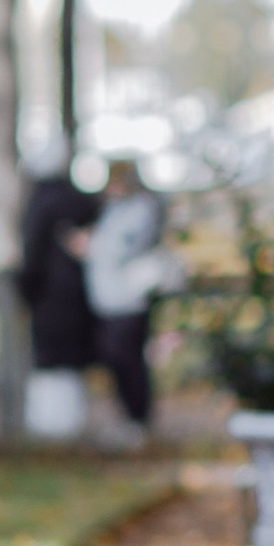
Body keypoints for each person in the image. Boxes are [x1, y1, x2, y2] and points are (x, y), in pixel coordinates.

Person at [84, 157, 178, 440]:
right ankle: (128, 417)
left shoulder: (142, 209)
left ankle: (139, 419)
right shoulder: (115, 210)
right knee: (115, 360)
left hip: (130, 297)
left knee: (128, 360)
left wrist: (92, 246)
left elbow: (120, 247)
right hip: (109, 298)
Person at [16, 154, 99, 440]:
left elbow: (32, 255)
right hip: (79, 297)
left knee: (50, 362)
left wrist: (26, 288)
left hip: (48, 298)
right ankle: (69, 420)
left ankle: (50, 424)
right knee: (71, 362)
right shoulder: (81, 201)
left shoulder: (40, 204)